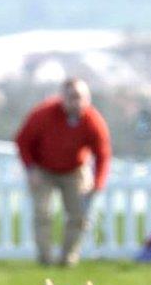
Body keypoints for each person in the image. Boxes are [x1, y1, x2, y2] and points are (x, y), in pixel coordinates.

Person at [15, 78, 111, 267]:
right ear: (63, 98)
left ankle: (68, 259)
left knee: (79, 215)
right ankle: (45, 259)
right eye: (72, 97)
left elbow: (103, 153)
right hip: (42, 169)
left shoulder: (93, 121)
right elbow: (22, 140)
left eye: (81, 98)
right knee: (42, 213)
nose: (77, 102)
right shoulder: (43, 114)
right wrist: (30, 168)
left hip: (75, 169)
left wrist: (97, 182)